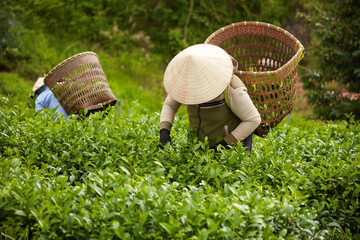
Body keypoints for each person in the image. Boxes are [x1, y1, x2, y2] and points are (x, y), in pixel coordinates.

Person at [159, 44, 261, 152]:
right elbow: (170, 104)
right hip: (200, 147)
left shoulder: (232, 87)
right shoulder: (186, 81)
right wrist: (164, 131)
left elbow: (253, 119)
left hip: (232, 149)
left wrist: (224, 144)